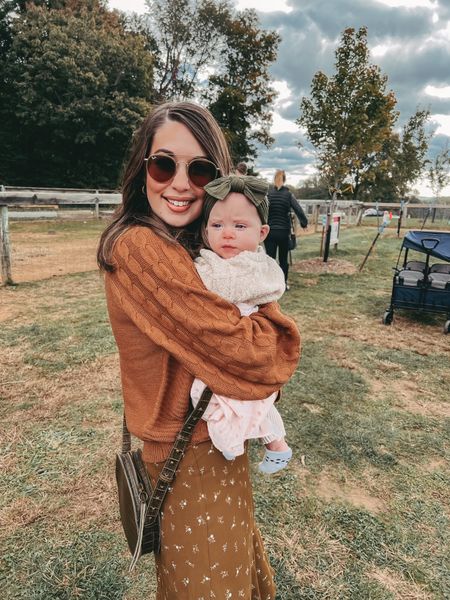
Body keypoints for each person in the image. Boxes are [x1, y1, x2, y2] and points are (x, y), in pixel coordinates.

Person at [97, 101, 300, 599]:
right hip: (188, 453)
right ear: (142, 169)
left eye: (199, 168)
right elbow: (257, 356)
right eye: (164, 164)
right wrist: (275, 337)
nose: (180, 182)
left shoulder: (194, 246)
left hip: (214, 443)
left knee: (231, 572)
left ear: (216, 179)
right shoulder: (141, 248)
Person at [191, 174, 293, 475]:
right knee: (210, 395)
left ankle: (256, 439)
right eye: (217, 225)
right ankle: (273, 441)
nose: (227, 234)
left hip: (244, 343)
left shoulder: (259, 267)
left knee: (221, 395)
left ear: (261, 233)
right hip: (222, 343)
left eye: (239, 226)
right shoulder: (209, 259)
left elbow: (224, 287)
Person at [265, 169, 308, 290]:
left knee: (270, 259)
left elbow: (262, 211)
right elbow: (298, 209)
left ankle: (270, 285)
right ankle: (283, 284)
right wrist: (304, 223)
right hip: (284, 232)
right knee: (283, 259)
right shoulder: (288, 195)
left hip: (270, 232)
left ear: (274, 179)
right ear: (284, 180)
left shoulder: (268, 195)